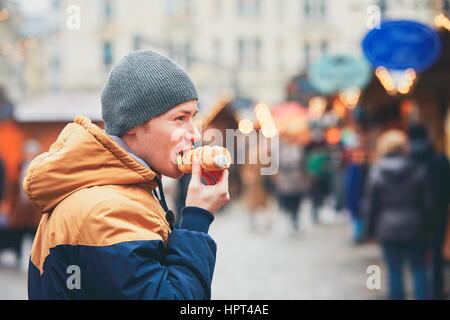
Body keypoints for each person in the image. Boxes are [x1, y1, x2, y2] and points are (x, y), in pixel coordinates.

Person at [26, 50, 230, 299]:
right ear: (134, 124)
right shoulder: (106, 211)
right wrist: (197, 218)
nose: (194, 134)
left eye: (193, 118)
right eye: (179, 119)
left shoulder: (126, 192)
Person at [364, 130, 431, 300]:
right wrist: (428, 226)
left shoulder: (377, 171)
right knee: (419, 269)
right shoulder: (418, 168)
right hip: (415, 225)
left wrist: (369, 230)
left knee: (394, 271)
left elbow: (371, 204)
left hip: (388, 227)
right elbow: (426, 202)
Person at [408, 124, 450, 300]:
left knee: (418, 259)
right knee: (436, 258)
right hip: (438, 215)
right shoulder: (440, 159)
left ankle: (422, 293)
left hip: (414, 216)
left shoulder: (408, 160)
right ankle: (437, 292)